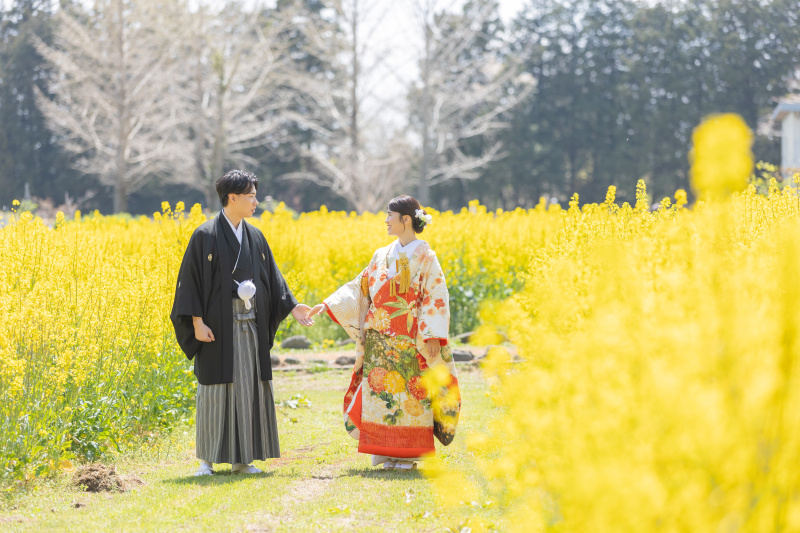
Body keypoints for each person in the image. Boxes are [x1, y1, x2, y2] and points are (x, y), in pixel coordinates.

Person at [171, 170, 316, 476]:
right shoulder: (205, 235)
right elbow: (190, 281)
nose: (255, 202)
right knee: (215, 390)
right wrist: (196, 322)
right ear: (232, 197)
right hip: (216, 326)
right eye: (250, 196)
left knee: (249, 388)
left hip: (250, 325)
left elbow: (273, 278)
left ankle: (243, 459)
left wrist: (292, 306)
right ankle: (206, 461)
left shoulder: (255, 237)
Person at [309, 195, 461, 470]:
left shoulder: (426, 257)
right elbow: (360, 286)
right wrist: (329, 303)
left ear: (406, 219)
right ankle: (385, 453)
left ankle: (409, 455)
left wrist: (433, 335)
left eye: (390, 215)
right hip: (379, 340)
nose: (386, 220)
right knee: (382, 396)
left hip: (410, 339)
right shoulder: (381, 254)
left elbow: (436, 295)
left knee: (411, 396)